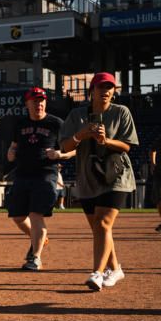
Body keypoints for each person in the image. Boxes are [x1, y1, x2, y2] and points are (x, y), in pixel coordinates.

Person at [59, 72, 139, 291]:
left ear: (114, 92)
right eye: (100, 87)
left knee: (103, 224)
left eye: (109, 87)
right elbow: (65, 146)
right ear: (91, 91)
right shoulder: (77, 115)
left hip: (116, 175)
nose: (105, 91)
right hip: (88, 177)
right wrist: (81, 135)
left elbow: (127, 146)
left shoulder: (121, 112)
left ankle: (97, 273)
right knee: (100, 229)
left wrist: (106, 140)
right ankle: (116, 269)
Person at [4, 87, 73, 271]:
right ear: (27, 104)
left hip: (45, 174)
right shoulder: (20, 124)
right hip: (22, 174)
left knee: (36, 215)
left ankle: (35, 258)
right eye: (34, 101)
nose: (39, 104)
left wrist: (60, 154)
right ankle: (40, 240)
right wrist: (10, 152)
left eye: (41, 101)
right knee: (18, 216)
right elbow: (13, 146)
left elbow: (74, 149)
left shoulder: (56, 123)